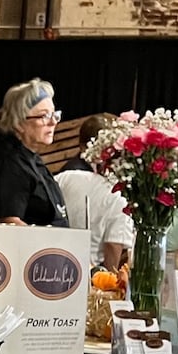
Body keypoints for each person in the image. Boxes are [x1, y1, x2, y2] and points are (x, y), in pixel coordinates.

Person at [0, 79, 69, 226]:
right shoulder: (10, 164)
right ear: (19, 123)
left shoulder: (33, 159)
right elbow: (10, 223)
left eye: (54, 115)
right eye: (44, 116)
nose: (53, 122)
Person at [54, 113, 132, 268]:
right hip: (89, 275)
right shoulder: (115, 192)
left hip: (48, 263)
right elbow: (113, 245)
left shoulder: (61, 177)